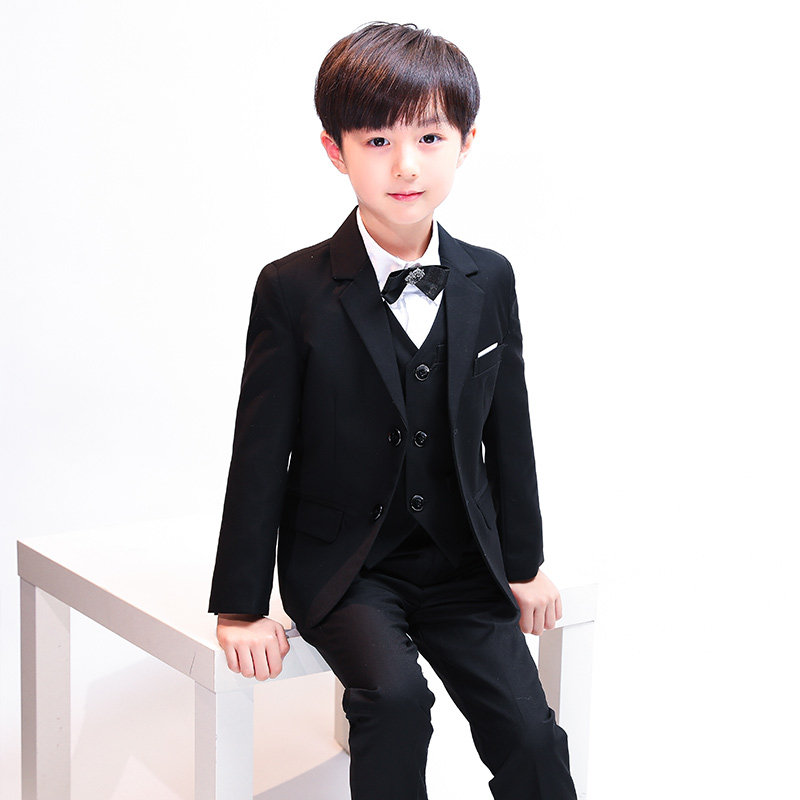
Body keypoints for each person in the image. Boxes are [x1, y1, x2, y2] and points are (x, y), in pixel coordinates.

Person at [208, 21, 577, 800]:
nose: (406, 164)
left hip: (460, 561)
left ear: (466, 142)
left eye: (430, 137)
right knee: (397, 704)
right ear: (334, 150)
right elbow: (260, 452)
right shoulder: (292, 288)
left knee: (531, 731)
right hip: (349, 567)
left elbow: (509, 431)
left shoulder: (489, 278)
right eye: (377, 140)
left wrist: (523, 562)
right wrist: (240, 607)